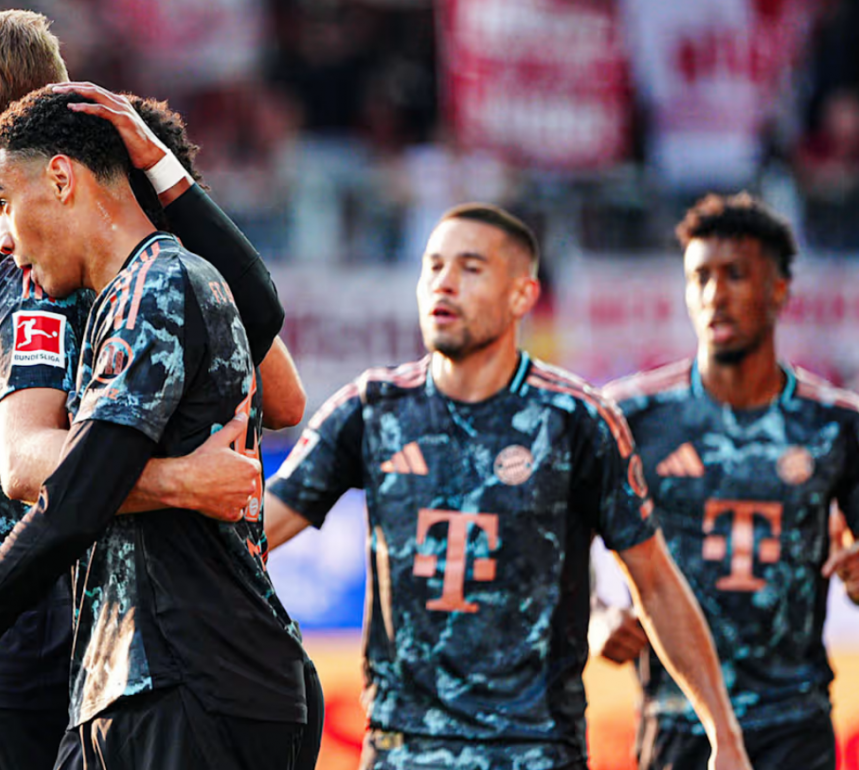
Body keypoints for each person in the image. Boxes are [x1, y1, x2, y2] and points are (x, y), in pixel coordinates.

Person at [0, 10, 305, 770]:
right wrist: (178, 480)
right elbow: (279, 399)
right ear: (60, 112)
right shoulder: (48, 261)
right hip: (33, 658)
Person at [260, 203, 752, 770]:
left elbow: (657, 582)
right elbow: (254, 533)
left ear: (523, 295)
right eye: (433, 266)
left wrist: (725, 735)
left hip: (536, 752)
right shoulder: (371, 409)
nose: (444, 282)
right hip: (402, 750)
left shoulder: (577, 419)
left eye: (470, 268)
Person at [595, 193, 859, 770]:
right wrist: (597, 614)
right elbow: (553, 541)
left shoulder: (835, 424)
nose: (715, 293)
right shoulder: (630, 417)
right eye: (700, 277)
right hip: (675, 723)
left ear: (779, 289)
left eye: (735, 274)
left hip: (794, 725)